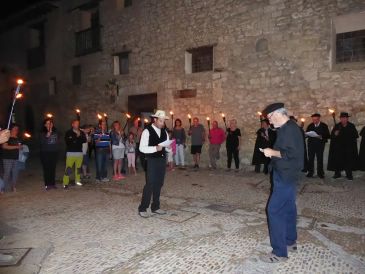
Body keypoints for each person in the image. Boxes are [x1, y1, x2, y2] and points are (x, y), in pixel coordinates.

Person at [260, 103, 304, 263]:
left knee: (274, 210)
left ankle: (279, 253)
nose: (270, 122)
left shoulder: (290, 129)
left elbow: (293, 154)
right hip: (286, 174)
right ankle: (290, 241)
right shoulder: (288, 127)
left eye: (270, 118)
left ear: (277, 114)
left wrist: (271, 152)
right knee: (289, 207)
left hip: (286, 175)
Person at [138, 110, 171, 218]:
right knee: (150, 183)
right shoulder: (147, 131)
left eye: (163, 121)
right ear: (155, 120)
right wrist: (155, 148)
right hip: (151, 160)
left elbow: (166, 147)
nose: (162, 123)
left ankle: (155, 207)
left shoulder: (164, 132)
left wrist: (169, 149)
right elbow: (141, 148)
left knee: (159, 183)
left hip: (161, 160)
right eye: (161, 121)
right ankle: (143, 208)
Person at [327, 112, 359, 180]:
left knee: (348, 161)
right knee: (338, 160)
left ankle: (349, 174)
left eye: (345, 118)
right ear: (340, 119)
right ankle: (337, 173)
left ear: (347, 118)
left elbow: (356, 135)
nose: (343, 119)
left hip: (348, 148)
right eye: (342, 118)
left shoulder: (351, 126)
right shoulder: (337, 126)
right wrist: (335, 134)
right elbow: (332, 136)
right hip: (339, 148)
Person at [305, 113, 330, 178]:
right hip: (311, 145)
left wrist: (321, 136)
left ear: (319, 119)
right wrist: (306, 135)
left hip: (320, 145)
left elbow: (328, 135)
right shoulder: (310, 125)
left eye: (316, 120)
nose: (314, 121)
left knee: (320, 159)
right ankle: (310, 172)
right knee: (310, 159)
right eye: (313, 120)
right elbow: (307, 133)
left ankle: (320, 173)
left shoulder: (324, 125)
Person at [63, 119, 86, 189]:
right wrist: (77, 137)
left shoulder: (81, 132)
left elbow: (84, 140)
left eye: (78, 123)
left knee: (78, 168)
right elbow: (68, 142)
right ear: (72, 124)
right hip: (71, 153)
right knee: (68, 168)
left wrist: (79, 137)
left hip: (79, 153)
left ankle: (78, 180)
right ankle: (65, 182)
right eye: (76, 123)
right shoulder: (68, 132)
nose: (77, 125)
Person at [1, 124, 22, 193]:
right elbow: (4, 147)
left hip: (15, 157)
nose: (16, 130)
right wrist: (16, 147)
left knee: (15, 172)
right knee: (7, 173)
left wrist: (21, 148)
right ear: (11, 129)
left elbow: (19, 147)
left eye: (17, 129)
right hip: (7, 158)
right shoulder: (7, 137)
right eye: (15, 129)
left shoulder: (17, 138)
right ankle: (2, 188)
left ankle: (13, 186)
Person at [40, 118, 59, 190]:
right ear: (45, 125)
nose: (49, 124)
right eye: (47, 123)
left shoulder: (55, 132)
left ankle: (53, 183)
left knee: (53, 168)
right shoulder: (42, 133)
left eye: (50, 123)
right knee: (47, 169)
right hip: (45, 153)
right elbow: (41, 142)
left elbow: (57, 142)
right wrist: (47, 136)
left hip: (54, 152)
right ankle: (47, 184)